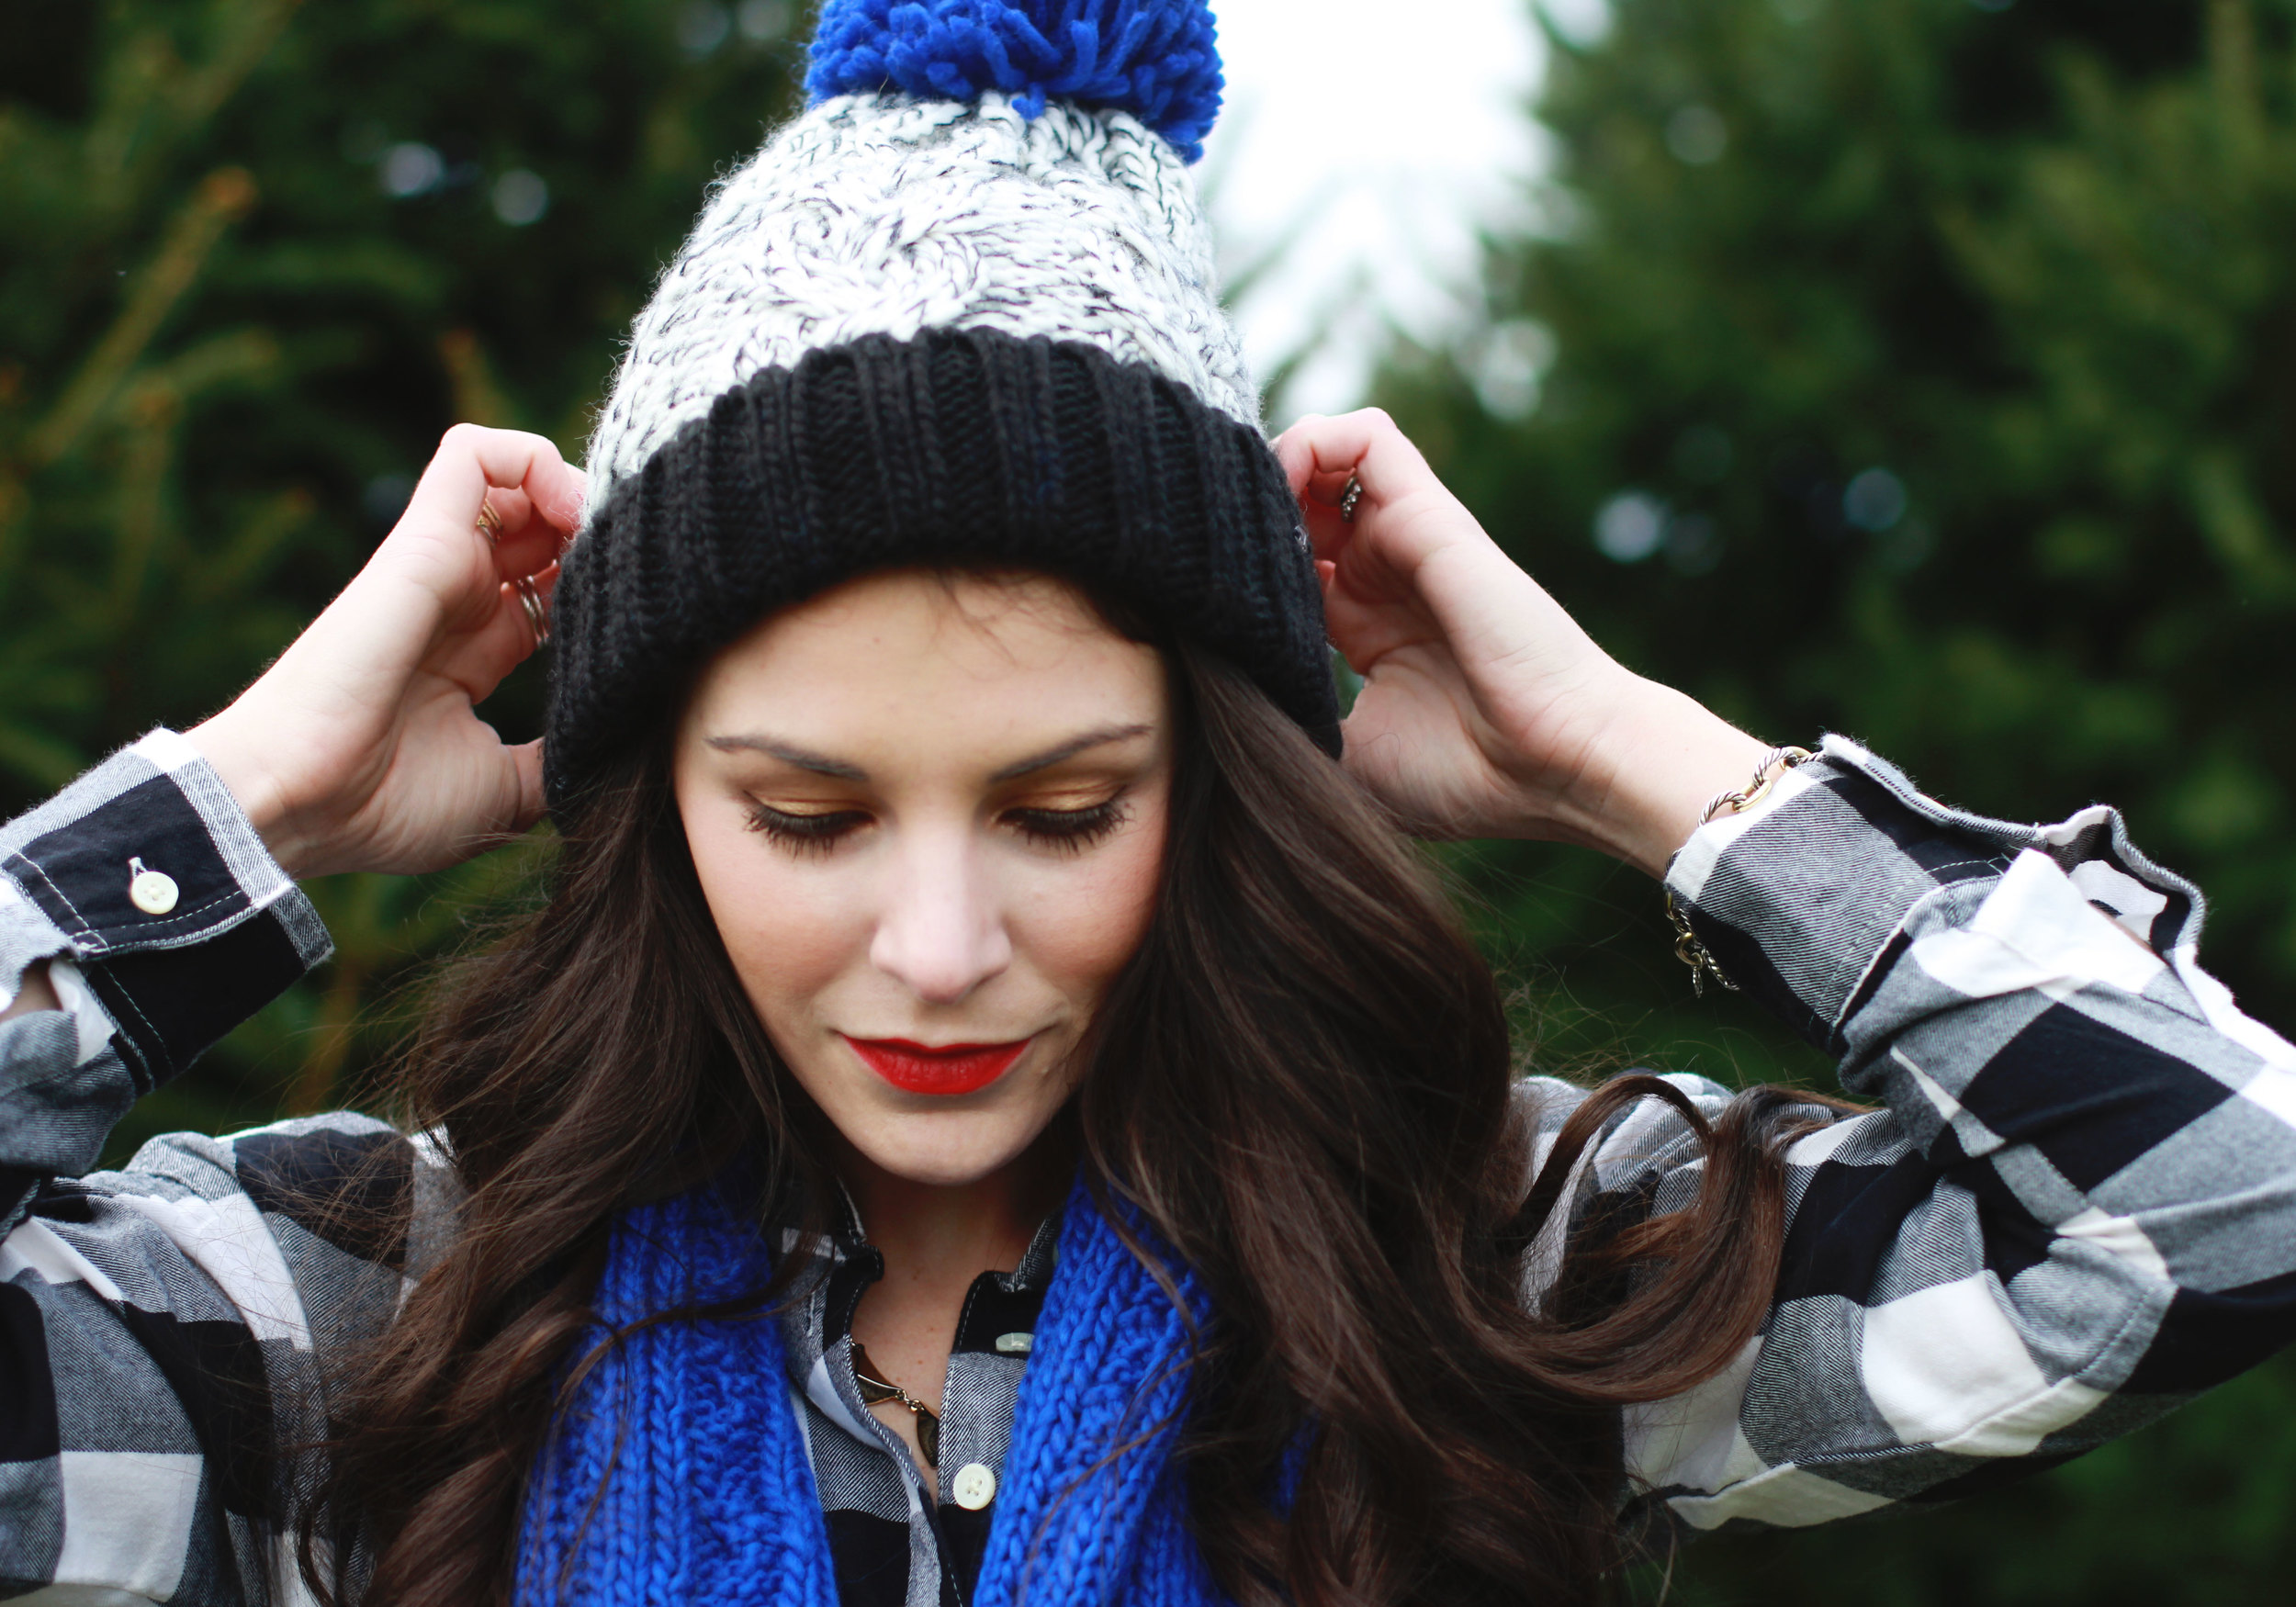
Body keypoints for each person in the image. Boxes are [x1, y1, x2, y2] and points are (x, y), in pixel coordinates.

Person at [6, 3, 2296, 1604]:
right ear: (646, 810)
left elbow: (2213, 1200)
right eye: (805, 815)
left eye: (1063, 806)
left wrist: (1627, 754)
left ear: (1213, 792)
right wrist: (229, 822)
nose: (933, 944)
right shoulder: (371, 1324)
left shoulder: (1477, 1275)